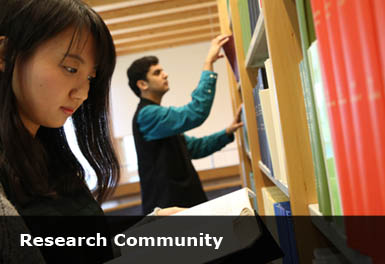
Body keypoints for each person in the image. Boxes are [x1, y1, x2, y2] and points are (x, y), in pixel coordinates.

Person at [0, 0, 181, 263]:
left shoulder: (47, 154)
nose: (83, 93)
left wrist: (144, 235)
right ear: (5, 54)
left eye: (90, 77)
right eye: (71, 68)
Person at [127, 35, 244, 215]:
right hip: (170, 213)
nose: (165, 74)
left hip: (183, 208)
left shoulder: (159, 117)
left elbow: (194, 148)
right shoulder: (148, 115)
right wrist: (208, 63)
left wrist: (228, 131)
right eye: (157, 73)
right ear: (142, 84)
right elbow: (196, 112)